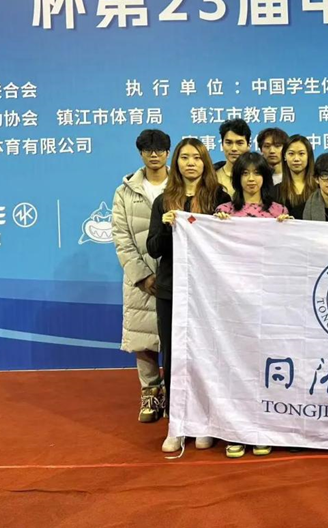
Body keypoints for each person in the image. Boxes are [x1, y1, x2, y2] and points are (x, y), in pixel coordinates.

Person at [147, 137, 227, 453]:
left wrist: (223, 224)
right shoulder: (164, 200)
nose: (190, 163)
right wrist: (167, 225)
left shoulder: (220, 197)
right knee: (175, 355)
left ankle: (205, 421)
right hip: (172, 290)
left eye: (196, 157)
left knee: (208, 354)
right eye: (184, 157)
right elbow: (153, 248)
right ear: (176, 163)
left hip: (208, 291)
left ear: (205, 162)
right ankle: (177, 423)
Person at [214, 152, 290, 458]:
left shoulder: (278, 212)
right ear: (237, 178)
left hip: (268, 301)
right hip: (233, 303)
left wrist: (289, 230)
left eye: (256, 173)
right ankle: (236, 431)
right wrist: (215, 227)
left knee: (264, 366)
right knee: (235, 366)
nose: (251, 179)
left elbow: (288, 254)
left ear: (265, 178)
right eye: (244, 173)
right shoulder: (224, 212)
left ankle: (262, 428)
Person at [111, 129, 170, 424]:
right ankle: (150, 392)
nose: (154, 154)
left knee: (175, 338)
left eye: (159, 149)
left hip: (176, 275)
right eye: (148, 150)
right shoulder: (125, 192)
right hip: (141, 279)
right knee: (143, 340)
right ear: (141, 153)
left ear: (168, 153)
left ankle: (174, 393)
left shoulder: (181, 186)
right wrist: (143, 276)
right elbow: (121, 238)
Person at [277, 134, 317, 219]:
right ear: (284, 156)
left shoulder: (319, 188)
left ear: (308, 156)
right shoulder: (275, 191)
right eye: (291, 154)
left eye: (301, 154)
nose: (296, 159)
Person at [215, 118, 252, 197]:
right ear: (222, 145)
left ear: (248, 145)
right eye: (229, 143)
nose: (234, 148)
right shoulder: (212, 177)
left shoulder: (258, 176)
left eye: (239, 143)